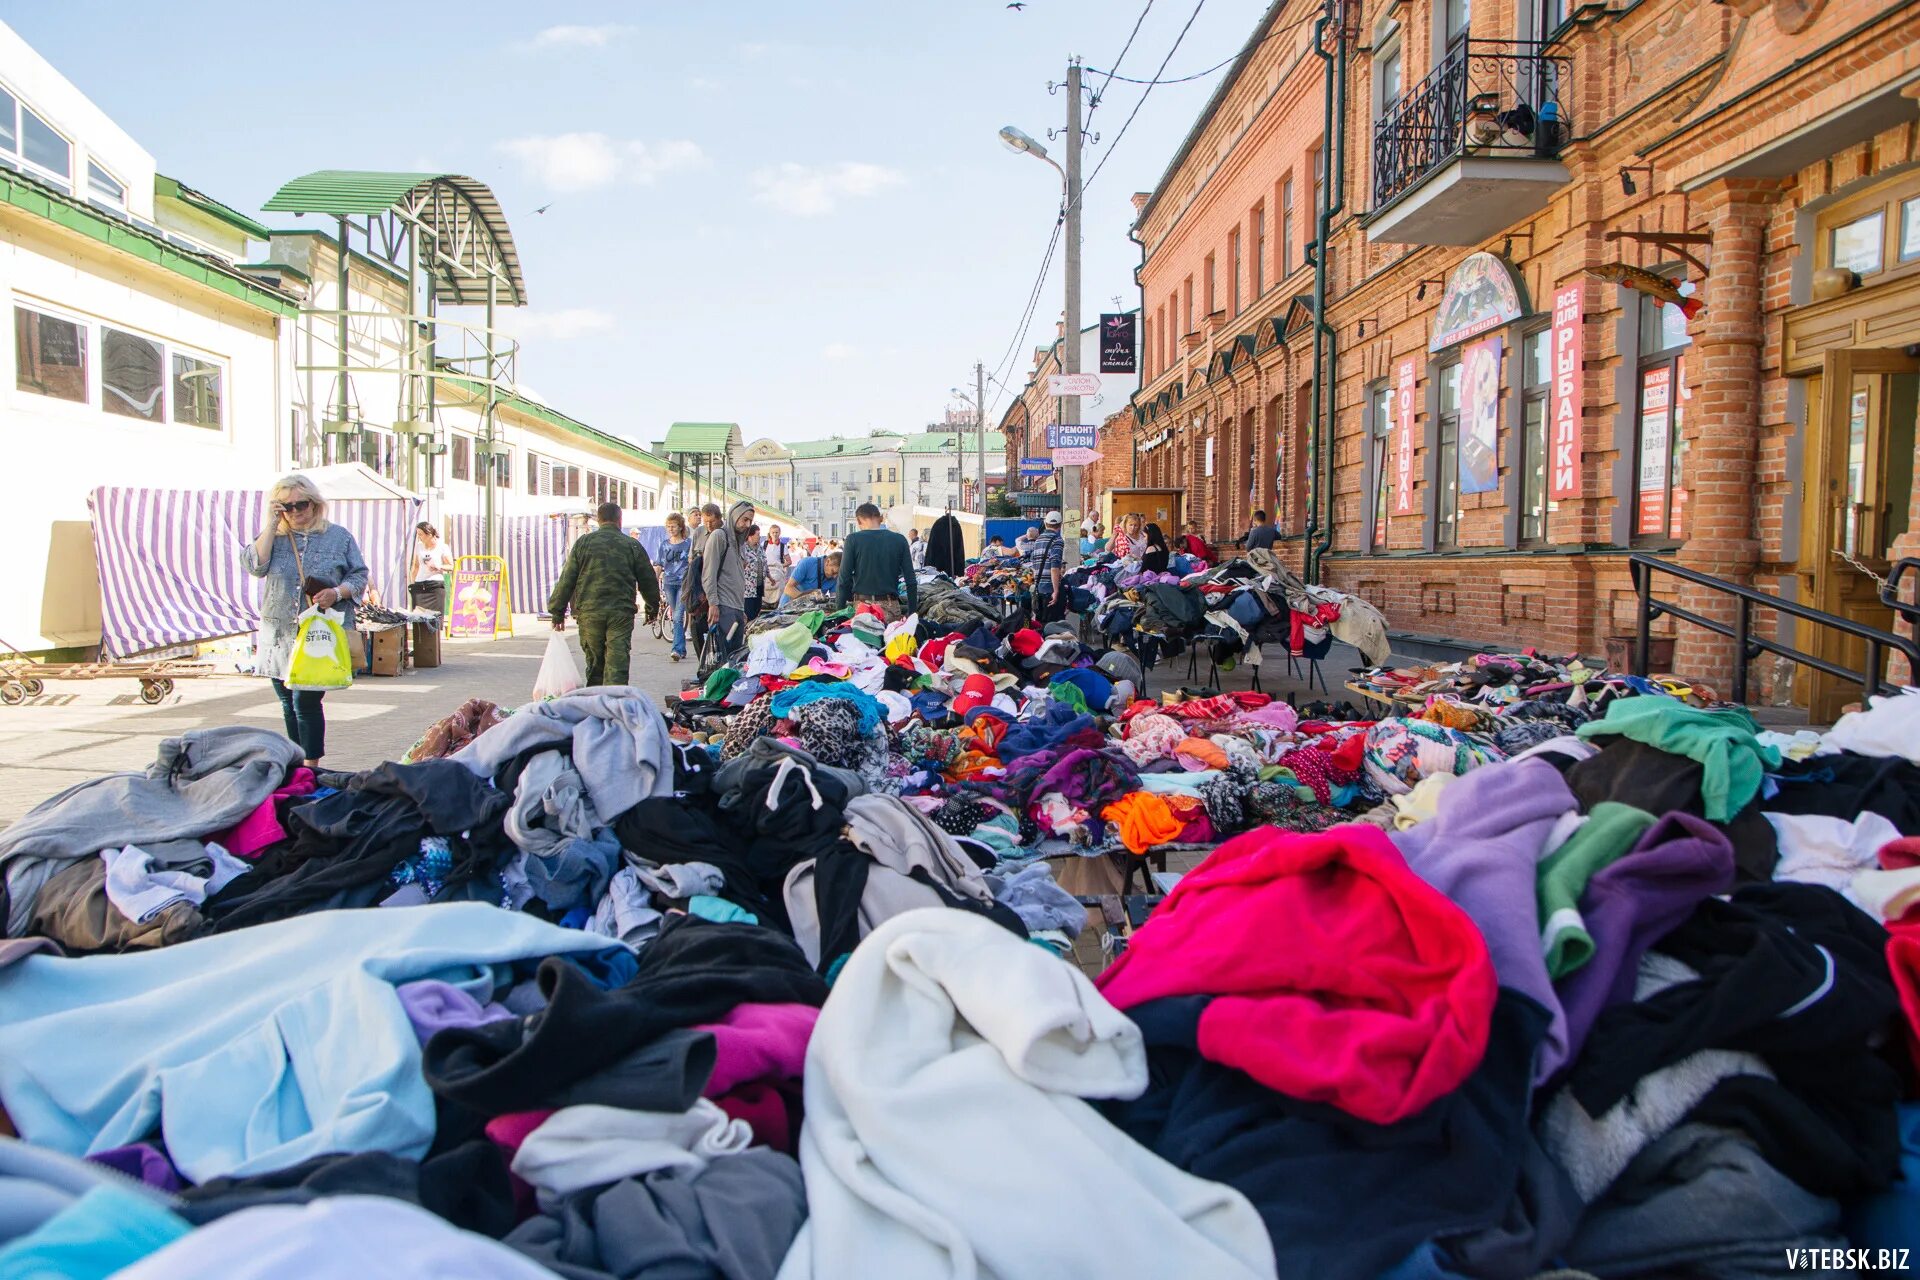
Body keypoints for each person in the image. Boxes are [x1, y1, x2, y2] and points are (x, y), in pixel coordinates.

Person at [242, 473, 368, 766]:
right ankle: (297, 763)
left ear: (315, 504)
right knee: (287, 702)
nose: (296, 511)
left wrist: (336, 592)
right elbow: (254, 565)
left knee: (305, 701)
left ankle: (311, 768)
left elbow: (359, 574)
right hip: (279, 632)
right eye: (286, 507)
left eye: (302, 504)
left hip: (318, 634)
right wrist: (272, 525)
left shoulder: (338, 536)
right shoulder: (273, 537)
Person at [548, 501, 660, 687]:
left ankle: (595, 705)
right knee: (618, 663)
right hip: (620, 614)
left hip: (590, 613)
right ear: (619, 520)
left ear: (598, 520)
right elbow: (648, 580)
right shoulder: (631, 545)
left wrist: (557, 612)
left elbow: (567, 579)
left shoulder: (583, 543)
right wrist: (652, 607)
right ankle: (616, 706)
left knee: (595, 663)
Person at [836, 502, 917, 621]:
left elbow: (843, 580)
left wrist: (839, 613)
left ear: (858, 521)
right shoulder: (899, 540)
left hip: (862, 608)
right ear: (880, 518)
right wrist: (912, 612)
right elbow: (911, 580)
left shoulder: (853, 540)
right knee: (891, 639)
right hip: (890, 607)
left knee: (861, 639)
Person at [703, 500, 755, 660]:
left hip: (736, 608)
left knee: (735, 659)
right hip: (724, 608)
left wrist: (741, 610)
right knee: (723, 661)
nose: (747, 524)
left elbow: (736, 577)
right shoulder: (719, 536)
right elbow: (708, 573)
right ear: (734, 515)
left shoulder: (740, 543)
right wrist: (713, 603)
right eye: (744, 519)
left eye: (750, 521)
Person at [660, 512, 693, 662]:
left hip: (683, 583)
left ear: (680, 527)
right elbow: (659, 564)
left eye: (673, 526)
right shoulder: (664, 545)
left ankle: (677, 649)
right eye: (668, 526)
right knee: (675, 616)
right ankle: (682, 648)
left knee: (679, 616)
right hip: (668, 582)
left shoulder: (688, 544)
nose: (670, 529)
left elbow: (693, 563)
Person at [1025, 511, 1067, 624]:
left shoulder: (1038, 540)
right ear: (1060, 525)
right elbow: (1054, 567)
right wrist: (1056, 590)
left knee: (1041, 625)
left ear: (1045, 523)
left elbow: (1034, 565)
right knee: (1054, 626)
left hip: (1039, 589)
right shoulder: (1057, 540)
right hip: (1050, 590)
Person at [409, 522, 453, 610]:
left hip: (435, 585)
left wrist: (439, 566)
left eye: (420, 534)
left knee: (435, 617)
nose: (419, 537)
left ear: (429, 534)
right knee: (418, 617)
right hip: (419, 584)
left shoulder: (443, 547)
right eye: (418, 534)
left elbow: (451, 566)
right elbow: (416, 566)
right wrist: (413, 584)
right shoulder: (418, 546)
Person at [743, 524, 769, 622]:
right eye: (757, 534)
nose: (759, 536)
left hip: (759, 586)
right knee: (750, 613)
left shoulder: (760, 548)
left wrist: (769, 576)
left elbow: (765, 563)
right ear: (750, 535)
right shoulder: (744, 548)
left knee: (757, 611)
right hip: (748, 588)